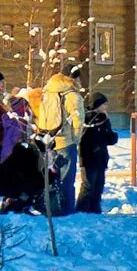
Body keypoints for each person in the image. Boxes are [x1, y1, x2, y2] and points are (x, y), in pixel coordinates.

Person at [36, 63, 85, 214]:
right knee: (66, 179)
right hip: (65, 142)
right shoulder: (72, 95)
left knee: (51, 178)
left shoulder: (48, 92)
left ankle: (50, 208)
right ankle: (66, 210)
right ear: (73, 77)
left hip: (49, 141)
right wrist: (75, 139)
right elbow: (78, 120)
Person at [76, 93, 115, 214]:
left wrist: (112, 137)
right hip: (89, 157)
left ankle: (95, 207)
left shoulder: (104, 118)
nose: (106, 106)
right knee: (88, 184)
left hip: (101, 157)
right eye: (104, 104)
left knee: (99, 184)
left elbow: (108, 136)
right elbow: (84, 137)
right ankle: (82, 209)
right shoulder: (87, 118)